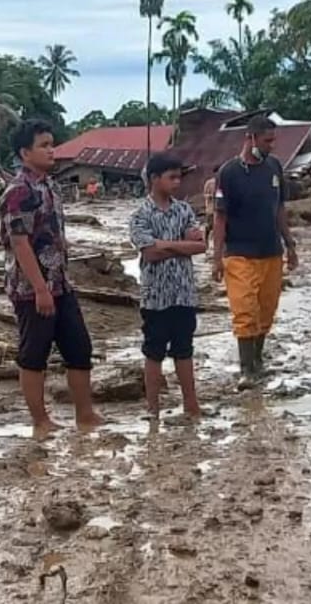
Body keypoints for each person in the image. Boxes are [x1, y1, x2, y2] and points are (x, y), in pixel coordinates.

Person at [0, 120, 104, 437]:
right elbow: (20, 243)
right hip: (31, 288)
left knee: (79, 348)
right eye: (43, 145)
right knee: (34, 354)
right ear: (25, 153)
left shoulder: (51, 187)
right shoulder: (18, 192)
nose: (51, 150)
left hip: (60, 283)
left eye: (51, 144)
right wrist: (40, 289)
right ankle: (40, 421)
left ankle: (85, 414)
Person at [211, 116, 299, 385]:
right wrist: (216, 258)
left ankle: (258, 361)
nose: (272, 146)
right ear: (250, 138)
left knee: (266, 310)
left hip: (271, 251)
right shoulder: (229, 173)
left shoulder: (274, 167)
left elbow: (279, 208)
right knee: (245, 310)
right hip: (239, 253)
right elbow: (220, 217)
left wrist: (290, 244)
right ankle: (246, 369)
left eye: (273, 140)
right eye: (267, 140)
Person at [128, 152, 207, 421]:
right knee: (154, 352)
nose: (177, 182)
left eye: (179, 177)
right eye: (171, 177)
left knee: (184, 350)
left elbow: (201, 246)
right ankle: (153, 409)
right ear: (154, 179)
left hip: (184, 293)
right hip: (155, 296)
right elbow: (150, 253)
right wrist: (181, 245)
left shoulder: (184, 210)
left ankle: (192, 406)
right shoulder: (140, 215)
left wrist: (164, 244)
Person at [200, 164, 221, 243]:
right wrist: (211, 196)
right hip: (211, 208)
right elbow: (205, 194)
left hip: (220, 208)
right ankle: (205, 242)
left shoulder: (222, 182)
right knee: (209, 226)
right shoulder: (210, 183)